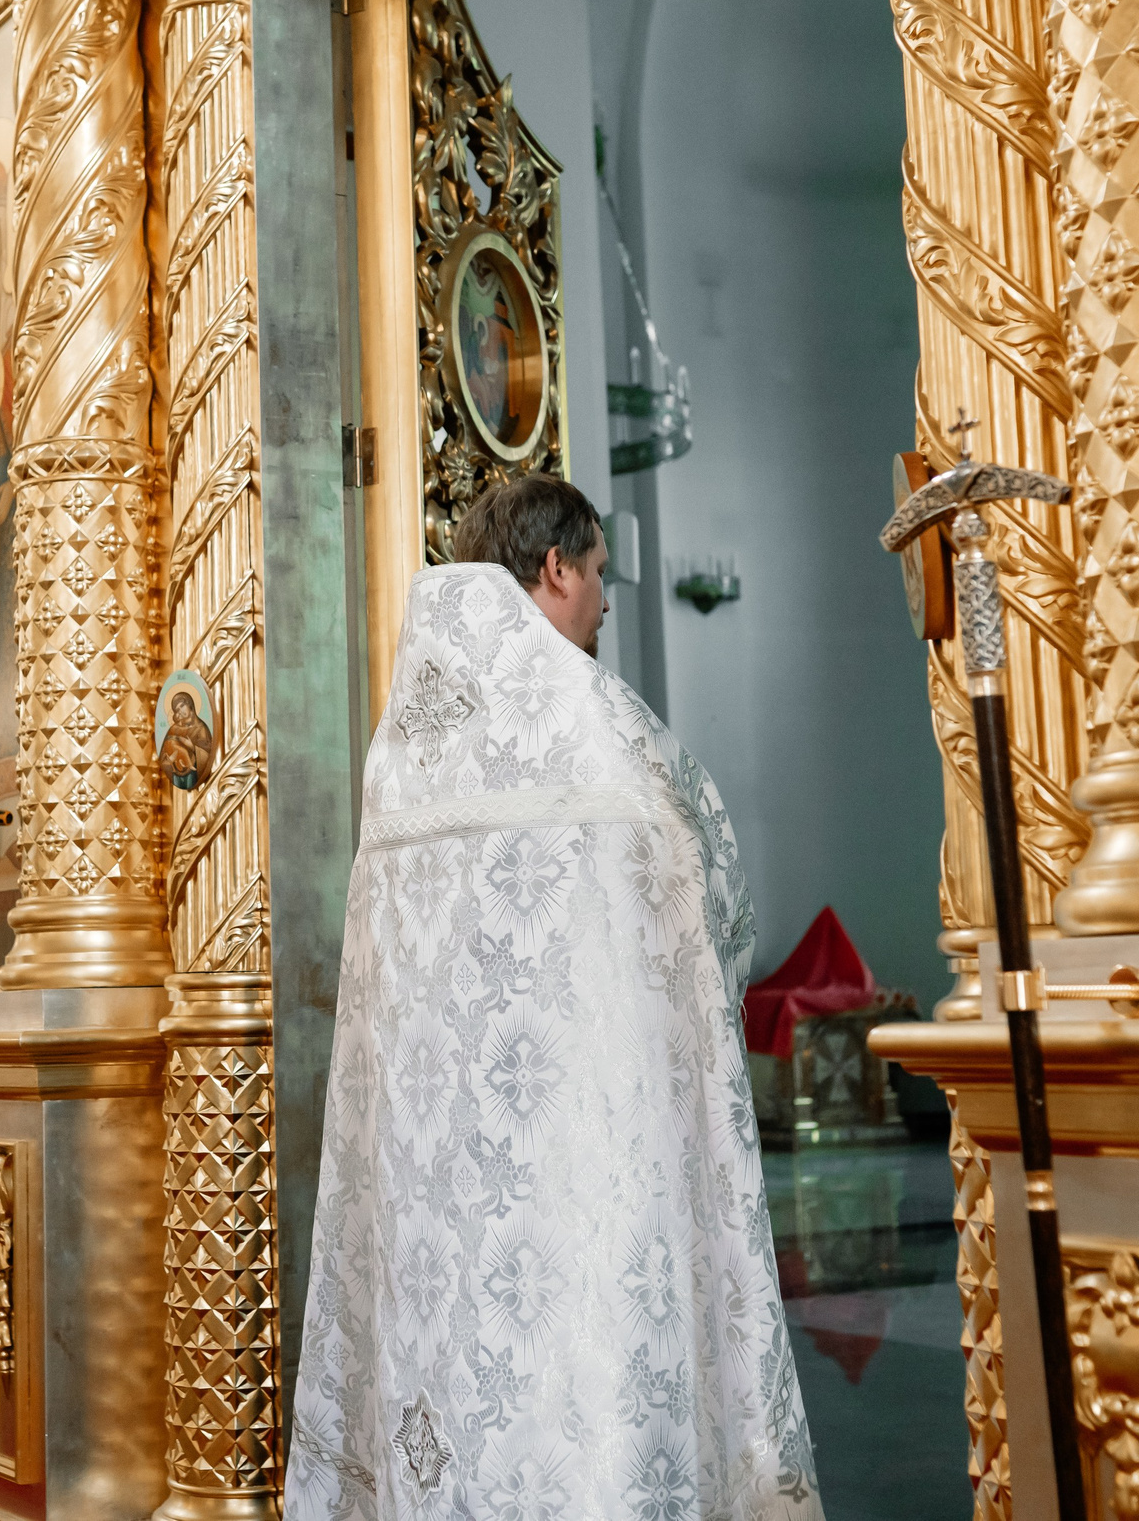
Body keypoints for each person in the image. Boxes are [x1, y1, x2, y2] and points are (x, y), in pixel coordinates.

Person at [285, 473, 821, 1520]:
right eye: (598, 576)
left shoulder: (403, 746)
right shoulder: (599, 730)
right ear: (554, 568)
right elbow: (711, 896)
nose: (608, 602)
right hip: (578, 1164)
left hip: (433, 1183)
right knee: (573, 1398)